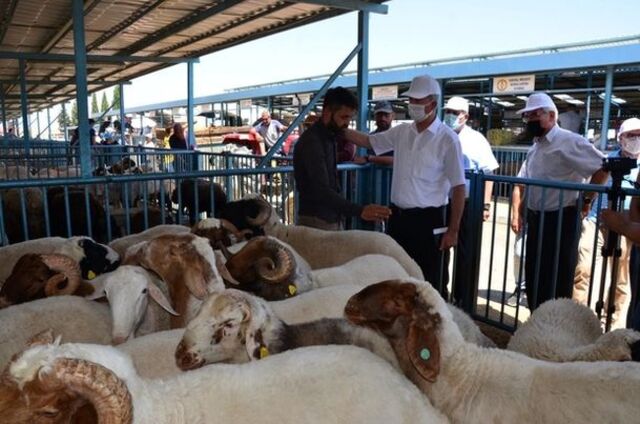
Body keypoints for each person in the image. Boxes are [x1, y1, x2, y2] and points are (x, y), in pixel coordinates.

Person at [344, 75, 466, 297]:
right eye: (411, 100)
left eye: (419, 101)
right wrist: (339, 128)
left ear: (433, 103)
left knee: (430, 282)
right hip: (398, 219)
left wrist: (453, 230)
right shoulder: (402, 132)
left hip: (429, 221)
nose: (413, 105)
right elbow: (369, 141)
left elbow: (458, 187)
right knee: (397, 278)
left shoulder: (447, 140)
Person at [511, 92, 608, 311]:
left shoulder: (569, 141)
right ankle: (538, 320)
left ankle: (557, 323)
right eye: (528, 115)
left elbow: (602, 167)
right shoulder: (536, 146)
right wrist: (521, 210)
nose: (531, 119)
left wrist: (586, 199)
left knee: (557, 277)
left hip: (561, 219)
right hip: (537, 220)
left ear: (552, 116)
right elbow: (530, 182)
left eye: (536, 114)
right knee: (535, 275)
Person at [293, 86, 391, 231]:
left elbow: (365, 141)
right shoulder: (312, 142)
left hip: (329, 216)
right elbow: (321, 190)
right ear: (327, 112)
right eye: (344, 117)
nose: (347, 123)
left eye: (350, 118)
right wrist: (359, 210)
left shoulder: (329, 135)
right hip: (317, 220)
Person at [442, 96, 499, 309]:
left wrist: (485, 205)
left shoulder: (476, 140)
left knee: (466, 252)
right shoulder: (440, 135)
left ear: (465, 116)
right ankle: (440, 294)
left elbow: (489, 171)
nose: (449, 116)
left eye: (454, 113)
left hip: (468, 203)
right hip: (442, 201)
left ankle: (462, 300)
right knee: (441, 248)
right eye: (447, 111)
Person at [589, 117, 640, 328]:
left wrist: (628, 225)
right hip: (598, 219)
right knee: (583, 267)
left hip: (628, 226)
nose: (636, 139)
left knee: (621, 276)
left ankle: (611, 321)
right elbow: (594, 184)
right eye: (631, 135)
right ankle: (579, 317)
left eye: (639, 135)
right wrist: (586, 204)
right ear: (620, 138)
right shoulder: (608, 160)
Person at [355, 100, 394, 166]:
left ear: (393, 116)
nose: (382, 118)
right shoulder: (370, 137)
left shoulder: (397, 136)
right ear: (375, 116)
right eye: (379, 115)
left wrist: (369, 158)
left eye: (386, 115)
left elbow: (397, 159)